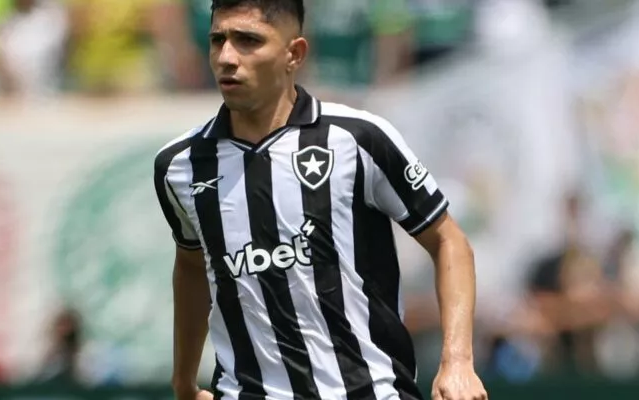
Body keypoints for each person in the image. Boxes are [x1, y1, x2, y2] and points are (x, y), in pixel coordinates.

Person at [153, 1, 487, 399]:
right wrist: (184, 381)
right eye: (217, 40)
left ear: (294, 54)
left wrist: (457, 362)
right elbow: (192, 266)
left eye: (248, 41)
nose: (226, 57)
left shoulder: (358, 138)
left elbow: (449, 241)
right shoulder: (181, 165)